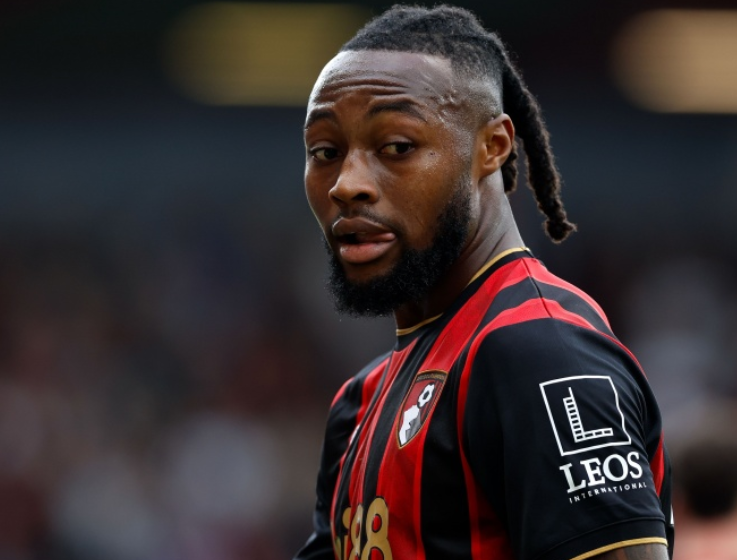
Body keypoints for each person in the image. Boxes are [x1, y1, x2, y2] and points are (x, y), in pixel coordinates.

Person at [296, 4, 674, 560]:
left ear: (492, 147)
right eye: (326, 152)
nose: (346, 184)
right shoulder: (360, 401)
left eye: (397, 146)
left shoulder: (539, 351)